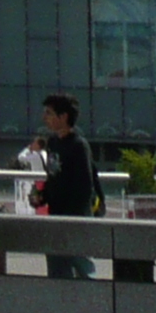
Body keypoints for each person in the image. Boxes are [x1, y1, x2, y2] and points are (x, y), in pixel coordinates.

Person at [39, 94, 100, 278]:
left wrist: (72, 218)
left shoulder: (78, 145)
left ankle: (94, 301)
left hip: (75, 219)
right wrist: (42, 196)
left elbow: (85, 187)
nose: (45, 117)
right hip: (55, 216)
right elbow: (53, 177)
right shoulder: (52, 143)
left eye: (49, 113)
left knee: (82, 265)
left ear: (63, 117)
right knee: (57, 268)